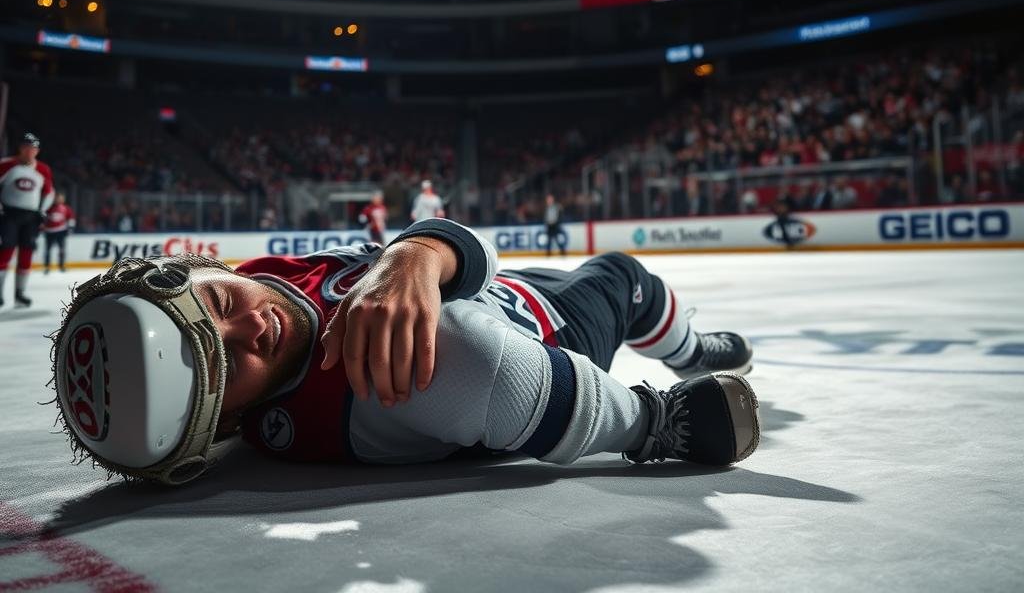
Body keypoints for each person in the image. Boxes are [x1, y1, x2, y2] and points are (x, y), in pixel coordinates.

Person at [50, 218, 758, 486]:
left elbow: (478, 249)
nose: (249, 328)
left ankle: (689, 348)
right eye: (225, 365)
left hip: (500, 287)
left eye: (214, 306)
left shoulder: (266, 272)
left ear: (209, 268)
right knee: (621, 276)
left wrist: (417, 252)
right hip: (550, 330)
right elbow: (495, 380)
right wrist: (646, 422)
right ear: (229, 423)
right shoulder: (362, 389)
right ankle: (688, 362)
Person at [0, 133, 54, 307]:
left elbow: (49, 192)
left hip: (30, 217)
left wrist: (43, 210)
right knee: (5, 252)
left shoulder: (43, 169)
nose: (29, 152)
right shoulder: (6, 164)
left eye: (33, 149)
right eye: (26, 148)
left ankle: (20, 293)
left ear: (37, 151)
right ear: (20, 148)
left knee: (26, 253)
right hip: (9, 214)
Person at [42, 191, 76, 274]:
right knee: (48, 250)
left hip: (61, 231)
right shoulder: (49, 208)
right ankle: (47, 266)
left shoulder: (66, 208)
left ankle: (61, 265)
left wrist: (70, 228)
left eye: (60, 198)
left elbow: (71, 218)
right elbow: (43, 218)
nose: (59, 200)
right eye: (57, 198)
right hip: (49, 231)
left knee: (62, 250)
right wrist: (42, 226)